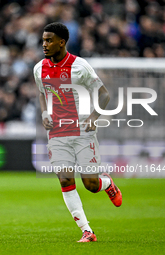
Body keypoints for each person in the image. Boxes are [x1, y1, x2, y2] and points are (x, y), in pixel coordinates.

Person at [33, 22, 122, 242]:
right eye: (43, 39)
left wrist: (93, 118)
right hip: (57, 134)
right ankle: (87, 231)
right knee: (65, 179)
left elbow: (104, 95)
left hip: (82, 131)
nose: (44, 44)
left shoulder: (80, 66)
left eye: (49, 40)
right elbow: (43, 93)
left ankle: (107, 183)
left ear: (61, 42)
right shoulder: (39, 68)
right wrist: (45, 114)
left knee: (91, 185)